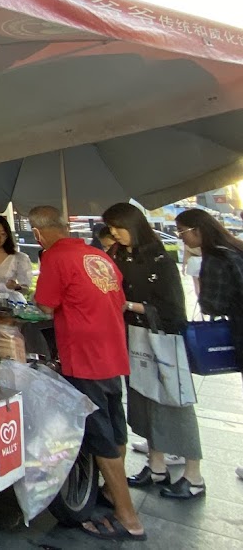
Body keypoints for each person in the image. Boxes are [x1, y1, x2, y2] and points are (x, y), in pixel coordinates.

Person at [30, 205, 145, 541]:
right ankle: (113, 493)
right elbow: (117, 300)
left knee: (99, 437)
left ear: (38, 234)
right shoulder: (99, 256)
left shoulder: (54, 258)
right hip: (112, 354)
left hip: (84, 358)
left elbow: (45, 305)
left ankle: (128, 518)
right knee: (115, 428)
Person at [102, 202, 204, 500]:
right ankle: (155, 465)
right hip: (132, 336)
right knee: (142, 400)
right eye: (110, 228)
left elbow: (173, 309)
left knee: (174, 403)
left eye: (118, 227)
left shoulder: (159, 257)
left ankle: (193, 475)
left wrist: (131, 306)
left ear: (133, 225)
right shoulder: (118, 255)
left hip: (162, 337)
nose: (114, 234)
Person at [175, 208, 243, 483]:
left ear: (196, 230)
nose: (182, 240)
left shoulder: (215, 259)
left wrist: (197, 274)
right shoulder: (236, 248)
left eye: (182, 233)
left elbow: (212, 304)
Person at [0, 215, 33, 295]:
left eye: (2, 234)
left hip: (10, 303)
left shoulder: (18, 259)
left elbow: (25, 289)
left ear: (7, 236)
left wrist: (15, 286)